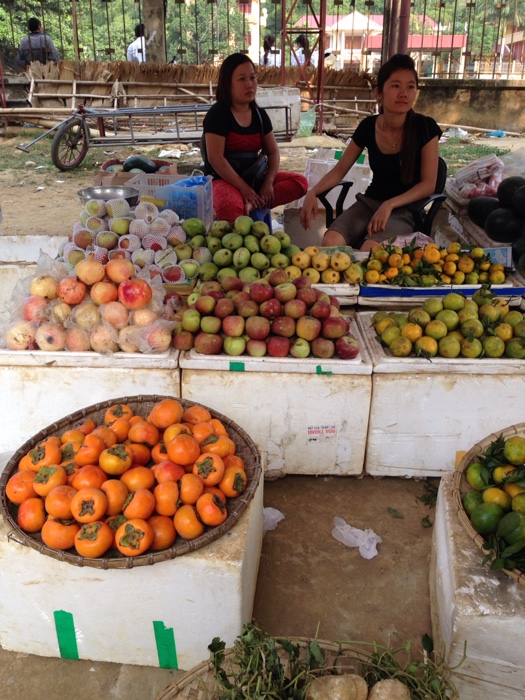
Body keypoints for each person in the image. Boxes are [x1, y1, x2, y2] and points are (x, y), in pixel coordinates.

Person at [300, 53, 442, 251]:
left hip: (405, 211)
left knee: (370, 250)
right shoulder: (368, 126)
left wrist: (390, 204)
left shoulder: (425, 128)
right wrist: (313, 192)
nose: (404, 93)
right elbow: (340, 170)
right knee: (330, 242)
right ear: (379, 93)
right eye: (396, 86)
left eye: (410, 87)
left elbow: (428, 185)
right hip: (369, 204)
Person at [202, 53, 308, 222]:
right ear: (227, 83)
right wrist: (243, 188)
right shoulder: (217, 115)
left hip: (255, 180)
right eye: (242, 79)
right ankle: (246, 203)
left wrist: (268, 183)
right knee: (230, 206)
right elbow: (216, 159)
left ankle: (253, 204)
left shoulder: (260, 115)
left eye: (252, 78)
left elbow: (273, 153)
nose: (249, 84)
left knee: (300, 183)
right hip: (225, 181)